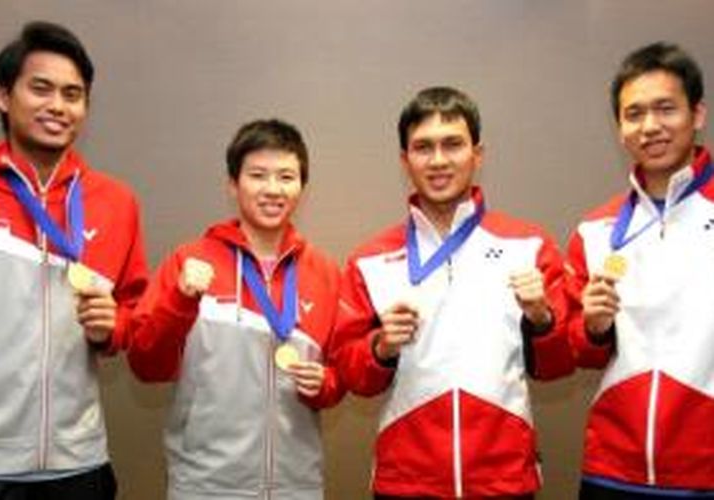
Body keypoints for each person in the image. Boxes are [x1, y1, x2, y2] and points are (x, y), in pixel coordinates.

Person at [334, 86, 574, 499]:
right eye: (423, 147)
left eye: (453, 145)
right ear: (404, 160)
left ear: (477, 155)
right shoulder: (370, 259)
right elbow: (353, 375)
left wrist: (542, 318)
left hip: (504, 481)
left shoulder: (529, 245)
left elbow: (560, 364)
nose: (439, 160)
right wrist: (381, 347)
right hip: (405, 482)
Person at [0, 21, 148, 499]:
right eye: (40, 89)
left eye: (73, 94)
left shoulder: (115, 201)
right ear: (3, 96)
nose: (58, 106)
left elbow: (132, 315)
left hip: (79, 460)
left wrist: (115, 327)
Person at [127, 118, 345, 499]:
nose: (273, 189)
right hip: (206, 484)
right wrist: (181, 301)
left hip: (296, 485)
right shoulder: (189, 261)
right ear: (233, 184)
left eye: (286, 177)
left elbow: (342, 373)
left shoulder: (324, 271)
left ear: (302, 187)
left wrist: (324, 384)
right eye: (258, 175)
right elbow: (146, 365)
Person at [567, 42, 714, 499]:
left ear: (698, 114)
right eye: (634, 114)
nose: (649, 126)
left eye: (665, 109)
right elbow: (581, 353)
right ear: (620, 128)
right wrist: (591, 326)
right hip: (612, 468)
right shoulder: (595, 230)